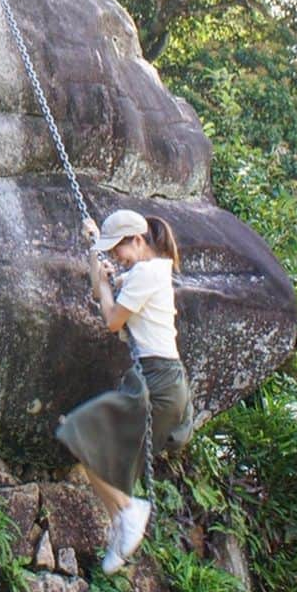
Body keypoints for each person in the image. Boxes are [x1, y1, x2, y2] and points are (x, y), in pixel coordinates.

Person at [56, 209, 194, 573]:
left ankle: (130, 513)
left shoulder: (147, 274)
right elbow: (102, 293)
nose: (116, 257)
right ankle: (124, 518)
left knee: (78, 433)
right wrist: (94, 250)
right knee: (83, 444)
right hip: (154, 379)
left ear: (138, 240)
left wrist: (103, 285)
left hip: (158, 383)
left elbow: (112, 319)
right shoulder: (145, 273)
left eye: (119, 248)